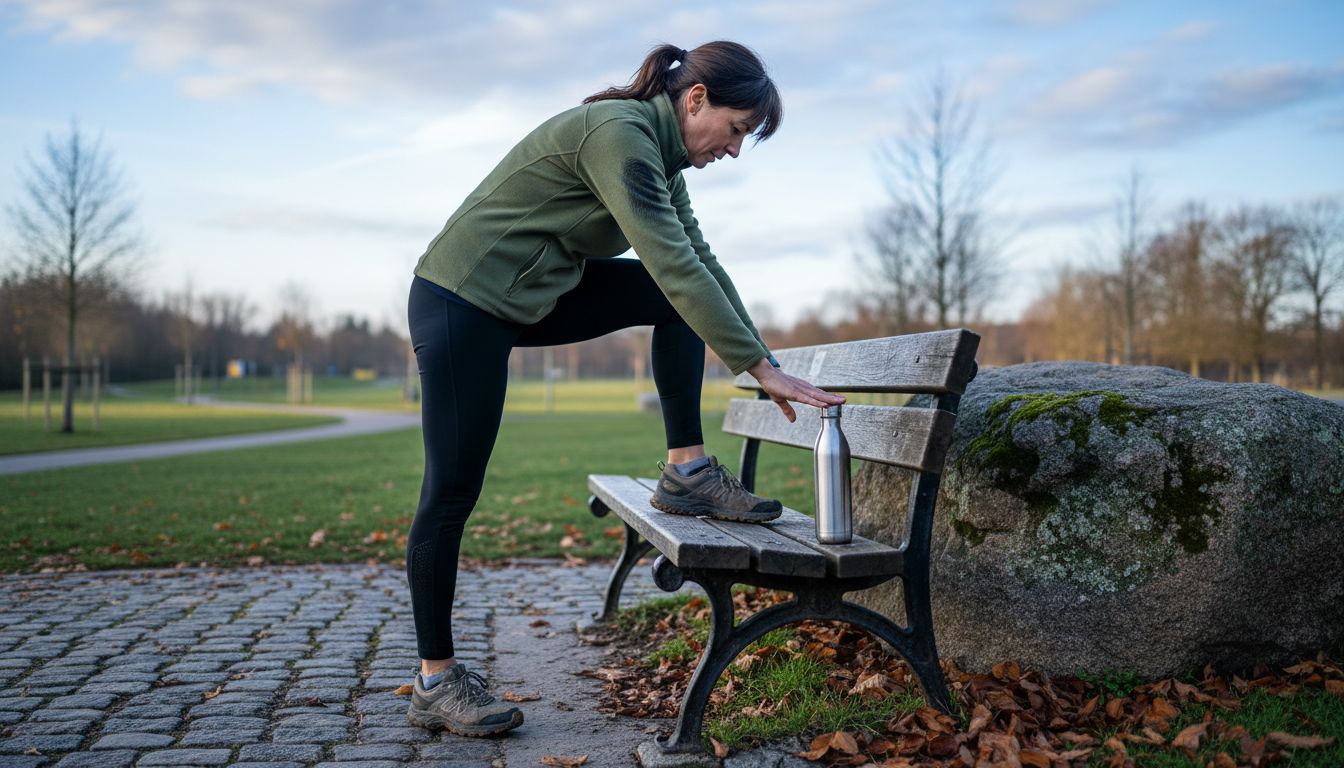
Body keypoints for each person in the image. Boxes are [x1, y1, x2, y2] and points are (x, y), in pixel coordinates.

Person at [404, 40, 844, 737]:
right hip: (462, 300)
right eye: (734, 130)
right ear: (695, 99)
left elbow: (699, 259)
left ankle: (687, 471)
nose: (733, 151)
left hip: (532, 293)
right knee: (451, 488)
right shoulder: (622, 136)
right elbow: (671, 260)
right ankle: (435, 680)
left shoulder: (662, 159)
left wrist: (760, 353)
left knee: (672, 298)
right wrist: (758, 369)